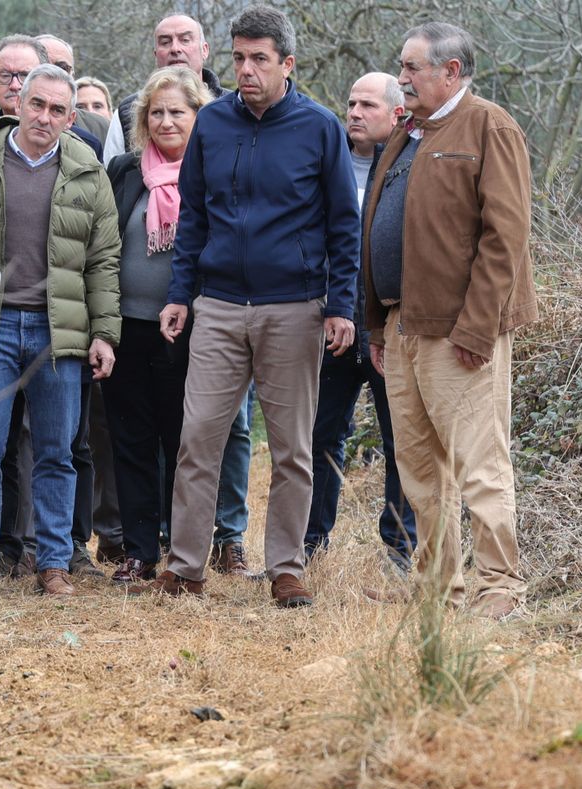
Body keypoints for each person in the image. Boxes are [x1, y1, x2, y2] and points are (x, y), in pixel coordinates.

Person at [148, 6, 360, 608]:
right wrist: (179, 296)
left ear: (286, 64)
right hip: (216, 305)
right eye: (238, 58)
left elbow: (344, 225)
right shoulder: (212, 125)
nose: (246, 69)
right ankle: (186, 567)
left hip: (294, 308)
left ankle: (286, 568)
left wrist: (340, 306)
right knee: (198, 438)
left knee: (292, 447)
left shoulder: (319, 128)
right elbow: (193, 219)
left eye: (259, 59)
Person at [363, 22, 538, 619]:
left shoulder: (491, 126)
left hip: (461, 334)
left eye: (411, 67)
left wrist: (476, 327)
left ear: (451, 72)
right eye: (403, 67)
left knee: (480, 466)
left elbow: (505, 237)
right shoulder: (407, 133)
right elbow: (377, 228)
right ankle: (440, 589)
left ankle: (500, 590)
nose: (402, 77)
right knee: (419, 475)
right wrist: (375, 325)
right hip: (401, 327)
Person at [0, 63, 121, 597]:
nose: (44, 117)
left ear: (71, 118)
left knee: (56, 452)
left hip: (60, 332)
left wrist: (105, 334)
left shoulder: (87, 170)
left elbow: (104, 260)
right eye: (36, 104)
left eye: (57, 110)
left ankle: (54, 563)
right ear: (17, 102)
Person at [103, 66, 213, 583]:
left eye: (178, 112)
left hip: (189, 329)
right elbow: (104, 250)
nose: (166, 121)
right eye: (157, 112)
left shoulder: (213, 171)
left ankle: (185, 550)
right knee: (132, 440)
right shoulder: (125, 172)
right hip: (128, 328)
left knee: (184, 440)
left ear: (199, 116)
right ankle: (139, 550)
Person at [304, 72, 417, 568]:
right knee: (317, 435)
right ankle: (307, 544)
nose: (353, 112)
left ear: (396, 114)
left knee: (400, 440)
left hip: (387, 325)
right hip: (327, 323)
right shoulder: (325, 162)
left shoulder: (409, 167)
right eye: (350, 102)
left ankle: (400, 548)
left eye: (367, 104)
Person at [104, 13, 224, 160]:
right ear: (155, 54)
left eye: (185, 40)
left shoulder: (233, 106)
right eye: (165, 42)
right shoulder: (128, 112)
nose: (175, 48)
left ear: (204, 50)